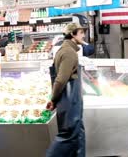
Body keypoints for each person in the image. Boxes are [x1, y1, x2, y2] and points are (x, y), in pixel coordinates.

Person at [46, 23, 86, 157]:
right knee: (68, 134)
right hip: (70, 101)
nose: (84, 35)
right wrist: (53, 99)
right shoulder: (69, 53)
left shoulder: (63, 50)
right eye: (81, 33)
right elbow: (61, 80)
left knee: (78, 133)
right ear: (73, 34)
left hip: (67, 101)